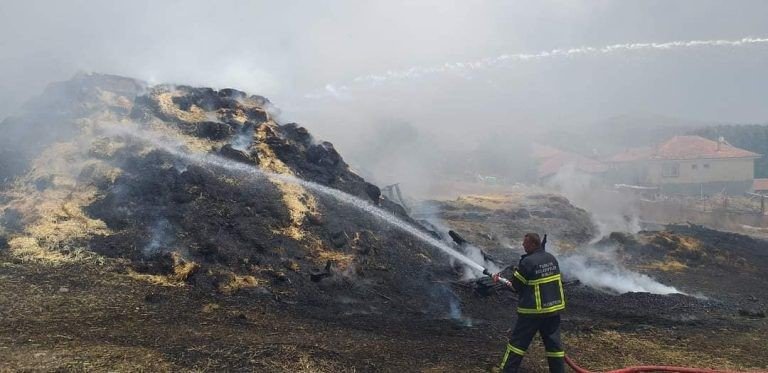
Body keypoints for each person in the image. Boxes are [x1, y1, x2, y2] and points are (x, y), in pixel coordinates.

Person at [493, 233, 566, 373]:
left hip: (533, 313)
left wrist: (500, 280)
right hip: (553, 310)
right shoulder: (551, 258)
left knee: (517, 344)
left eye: (525, 243)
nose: (522, 245)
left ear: (533, 244)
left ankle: (507, 370)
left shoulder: (528, 262)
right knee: (554, 347)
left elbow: (515, 286)